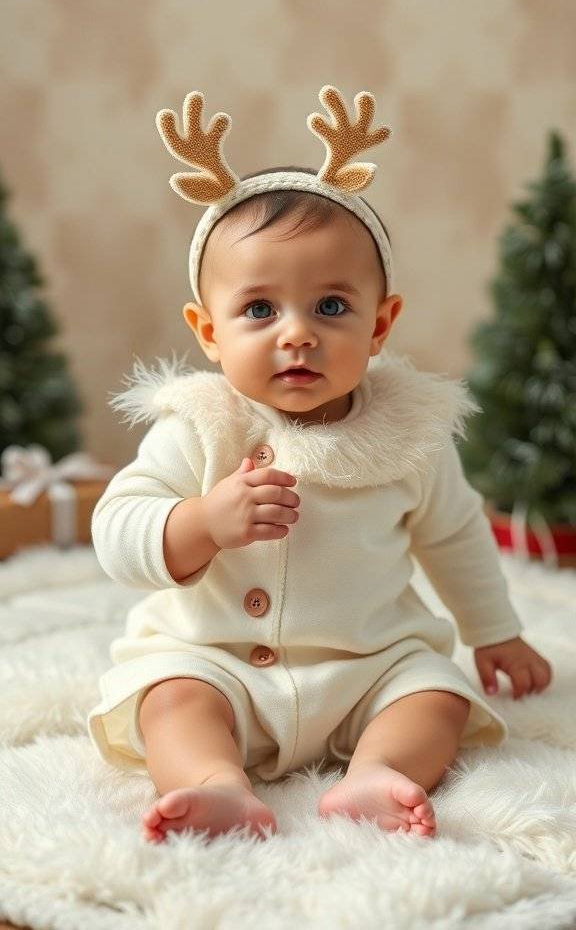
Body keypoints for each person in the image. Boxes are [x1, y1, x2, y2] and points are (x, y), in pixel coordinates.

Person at [87, 86, 552, 845]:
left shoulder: (410, 436)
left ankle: (375, 772)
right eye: (260, 310)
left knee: (439, 697)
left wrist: (493, 631)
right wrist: (200, 521)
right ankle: (214, 781)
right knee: (168, 697)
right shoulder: (199, 430)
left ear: (381, 323)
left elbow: (456, 533)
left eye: (331, 307)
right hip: (219, 660)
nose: (296, 334)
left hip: (367, 664)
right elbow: (117, 529)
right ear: (208, 331)